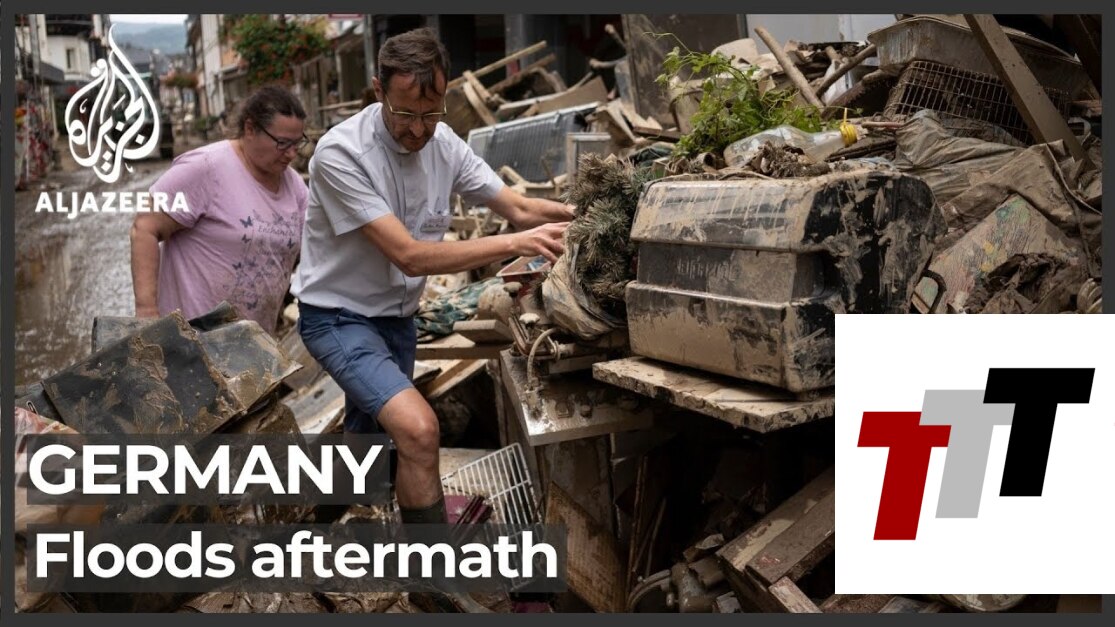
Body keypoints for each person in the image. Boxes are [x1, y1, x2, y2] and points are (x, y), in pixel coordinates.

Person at [292, 28, 573, 528]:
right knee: (419, 430)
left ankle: (316, 528)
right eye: (405, 114)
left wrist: (583, 213)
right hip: (338, 318)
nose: (419, 129)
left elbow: (520, 207)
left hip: (397, 320)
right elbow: (411, 256)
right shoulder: (341, 154)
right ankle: (432, 568)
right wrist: (517, 243)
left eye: (431, 113)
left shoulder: (443, 143)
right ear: (378, 90)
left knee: (369, 449)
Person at [131, 86, 310, 335]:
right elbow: (144, 229)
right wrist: (147, 314)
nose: (292, 154)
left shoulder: (295, 186)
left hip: (252, 343)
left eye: (297, 143)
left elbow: (312, 248)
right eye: (282, 143)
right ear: (250, 129)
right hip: (191, 340)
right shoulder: (206, 168)